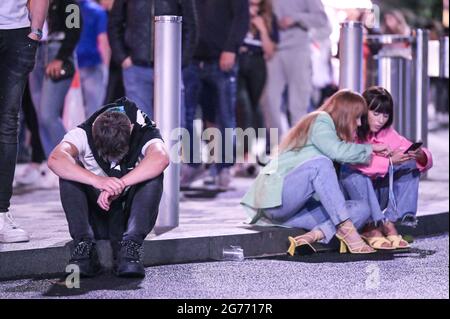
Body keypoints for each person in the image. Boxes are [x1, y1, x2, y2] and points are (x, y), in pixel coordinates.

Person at [241, 90, 390, 255]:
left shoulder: (334, 134)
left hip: (295, 213)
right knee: (321, 164)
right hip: (276, 201)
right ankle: (347, 232)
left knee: (362, 208)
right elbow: (338, 152)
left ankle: (313, 236)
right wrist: (371, 149)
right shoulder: (321, 120)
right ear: (345, 114)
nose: (360, 124)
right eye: (356, 117)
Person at [47, 97, 169, 278]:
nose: (113, 161)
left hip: (128, 217)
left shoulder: (143, 129)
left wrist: (120, 184)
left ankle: (131, 247)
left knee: (154, 175)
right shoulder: (84, 131)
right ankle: (84, 244)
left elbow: (162, 158)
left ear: (131, 132)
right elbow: (55, 159)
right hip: (97, 214)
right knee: (68, 174)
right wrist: (98, 181)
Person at [340, 87, 433, 249]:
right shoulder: (351, 129)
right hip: (350, 196)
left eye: (385, 115)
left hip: (375, 195)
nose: (381, 120)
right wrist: (390, 162)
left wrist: (420, 155)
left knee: (409, 164)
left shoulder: (387, 133)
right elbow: (357, 162)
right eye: (375, 114)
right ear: (363, 111)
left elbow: (420, 155)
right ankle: (371, 226)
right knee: (353, 171)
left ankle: (388, 222)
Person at [181, 0, 249, 190]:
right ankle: (192, 164)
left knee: (226, 117)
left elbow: (241, 18)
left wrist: (231, 48)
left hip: (221, 58)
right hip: (190, 59)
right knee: (184, 115)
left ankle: (224, 168)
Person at [0, 0, 48, 243]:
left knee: (8, 123)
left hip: (17, 33)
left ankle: (0, 213)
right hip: (19, 34)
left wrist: (35, 32)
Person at [108, 0, 198, 117]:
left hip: (169, 69)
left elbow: (191, 27)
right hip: (136, 68)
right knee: (140, 124)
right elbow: (114, 23)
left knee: (172, 122)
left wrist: (179, 62)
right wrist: (122, 57)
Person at [260, 0, 330, 140]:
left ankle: (298, 148)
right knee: (268, 101)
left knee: (297, 105)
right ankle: (279, 147)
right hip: (273, 50)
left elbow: (322, 19)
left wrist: (296, 18)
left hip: (298, 49)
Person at [29, 0, 82, 159]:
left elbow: (75, 30)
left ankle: (69, 161)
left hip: (56, 51)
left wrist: (61, 57)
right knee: (41, 116)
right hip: (36, 50)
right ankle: (53, 163)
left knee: (48, 115)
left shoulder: (69, 3)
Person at [234, 0, 278, 177]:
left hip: (257, 63)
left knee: (255, 108)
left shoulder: (268, 16)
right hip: (238, 61)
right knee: (243, 106)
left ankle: (256, 153)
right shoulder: (237, 10)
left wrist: (261, 28)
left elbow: (270, 51)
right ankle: (244, 154)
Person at [77, 0, 110, 117]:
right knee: (94, 112)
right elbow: (103, 42)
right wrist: (105, 69)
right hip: (92, 64)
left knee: (74, 113)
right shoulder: (97, 11)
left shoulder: (69, 8)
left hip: (73, 65)